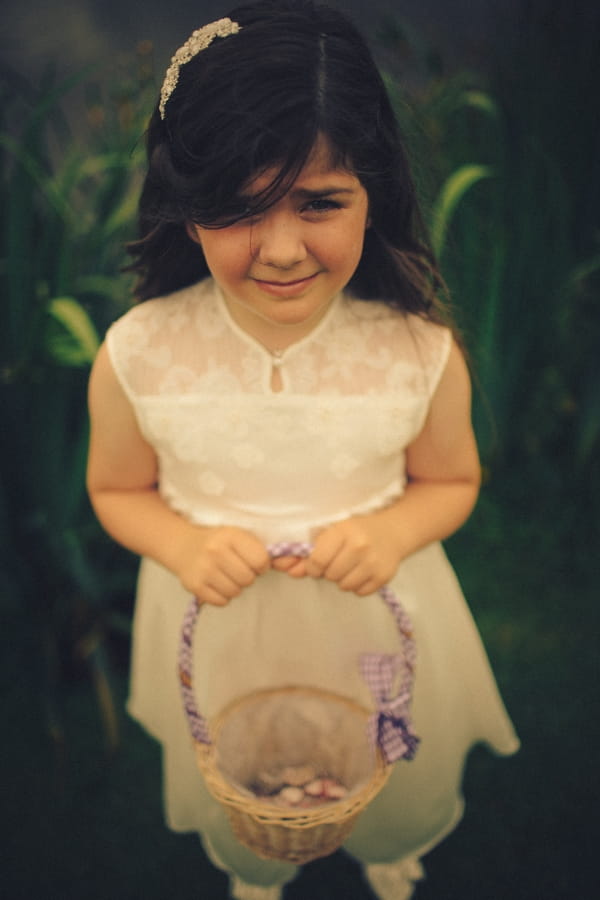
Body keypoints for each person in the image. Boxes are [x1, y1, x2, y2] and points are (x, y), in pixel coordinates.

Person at [86, 2, 519, 898]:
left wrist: (395, 533)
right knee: (244, 778)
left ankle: (390, 842)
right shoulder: (139, 351)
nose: (282, 249)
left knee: (391, 765)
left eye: (320, 204)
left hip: (372, 615)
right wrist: (183, 546)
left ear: (376, 192)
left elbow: (452, 479)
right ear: (186, 206)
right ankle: (257, 864)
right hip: (224, 629)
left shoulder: (416, 351)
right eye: (240, 211)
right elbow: (118, 490)